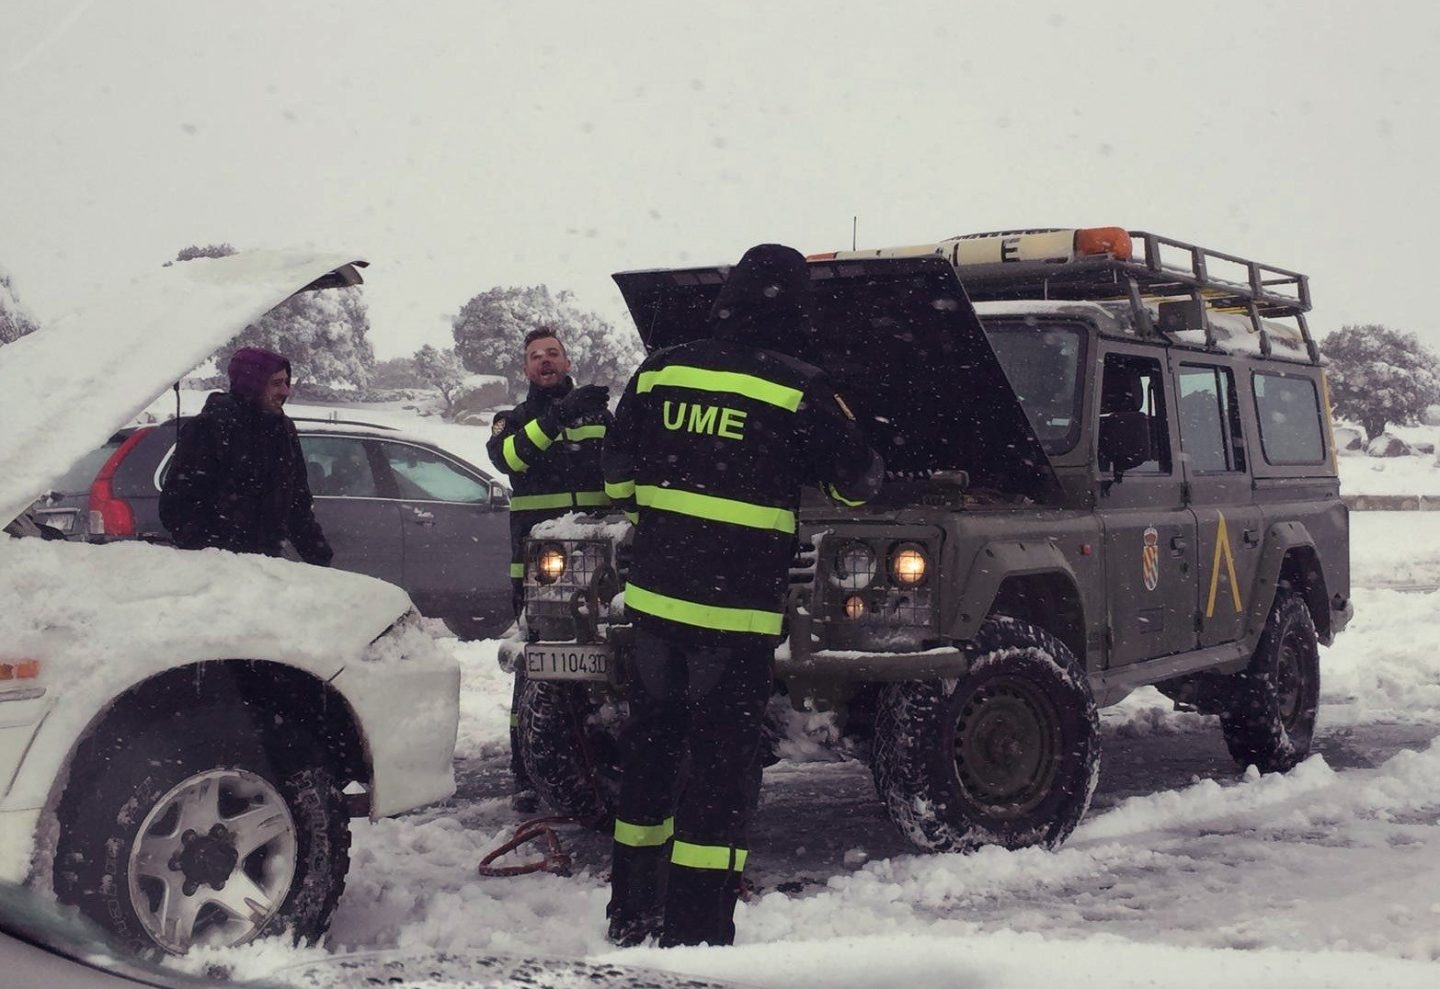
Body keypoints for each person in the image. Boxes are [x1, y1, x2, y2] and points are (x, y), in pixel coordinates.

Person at [601, 244, 883, 947]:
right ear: (794, 306)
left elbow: (616, 481)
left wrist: (673, 532)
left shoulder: (662, 368)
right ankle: (695, 934)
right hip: (735, 619)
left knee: (651, 757)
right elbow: (856, 484)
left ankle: (632, 913)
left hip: (657, 610)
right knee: (720, 777)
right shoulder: (797, 386)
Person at [485, 327, 613, 812]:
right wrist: (559, 416)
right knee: (534, 666)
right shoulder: (512, 419)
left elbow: (626, 470)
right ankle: (525, 770)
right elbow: (508, 458)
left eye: (553, 353)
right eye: (535, 356)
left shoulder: (599, 414)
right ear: (525, 369)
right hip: (540, 569)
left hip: (604, 564)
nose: (545, 361)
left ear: (566, 359)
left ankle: (601, 755)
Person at [159, 346, 332, 566]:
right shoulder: (209, 428)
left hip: (268, 565)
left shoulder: (283, 430)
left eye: (286, 382)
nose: (286, 391)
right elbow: (177, 505)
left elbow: (297, 503)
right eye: (276, 383)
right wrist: (214, 553)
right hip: (219, 568)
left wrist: (320, 559)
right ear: (253, 385)